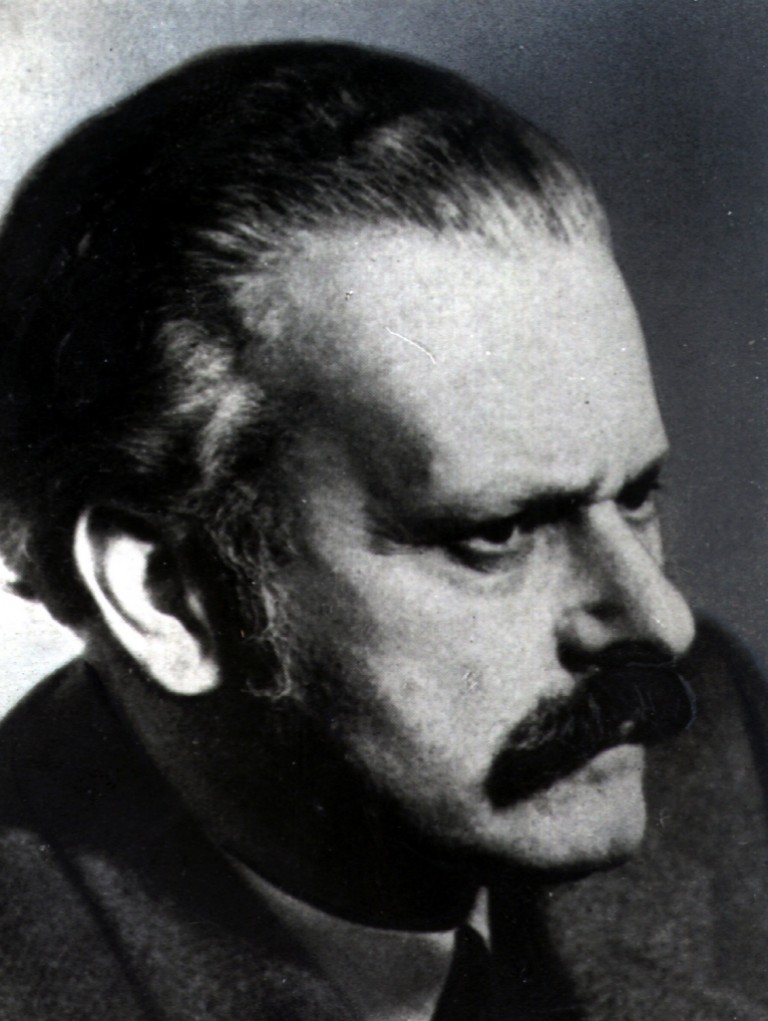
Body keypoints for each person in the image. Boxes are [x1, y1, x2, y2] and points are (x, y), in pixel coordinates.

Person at [0, 41, 766, 1020]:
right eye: (496, 533)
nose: (661, 622)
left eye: (637, 496)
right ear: (167, 595)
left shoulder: (720, 752)